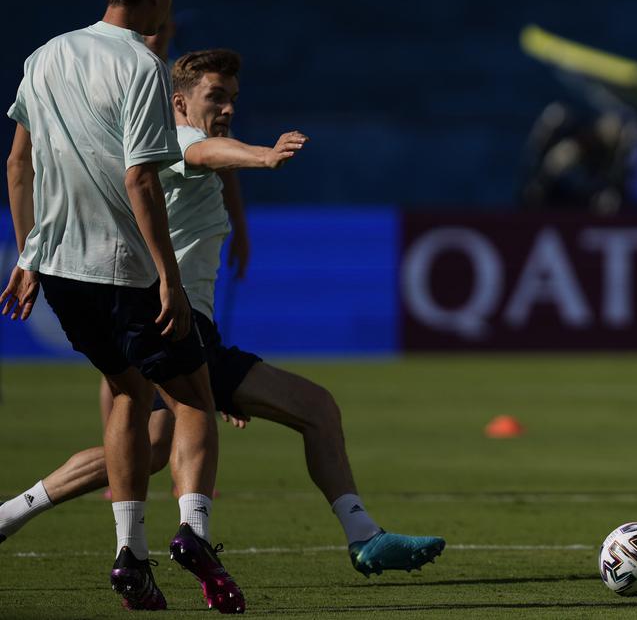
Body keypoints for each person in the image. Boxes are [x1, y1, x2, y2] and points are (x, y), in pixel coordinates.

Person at [0, 49, 447, 580]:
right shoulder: (179, 139)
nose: (229, 106)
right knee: (316, 408)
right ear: (180, 101)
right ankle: (359, 536)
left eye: (233, 97)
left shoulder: (160, 145)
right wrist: (264, 155)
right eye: (217, 96)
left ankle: (8, 513)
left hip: (184, 329)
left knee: (151, 448)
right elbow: (209, 151)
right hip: (172, 322)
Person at [0, 0, 245, 613]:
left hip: (60, 270)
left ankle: (130, 558)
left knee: (128, 392)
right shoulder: (141, 65)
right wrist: (166, 276)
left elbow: (18, 163)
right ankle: (194, 534)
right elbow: (141, 177)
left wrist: (27, 255)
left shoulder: (44, 55)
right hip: (122, 267)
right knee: (194, 399)